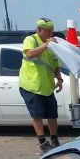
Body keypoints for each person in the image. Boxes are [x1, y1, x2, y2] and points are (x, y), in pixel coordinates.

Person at [19, 18, 63, 151]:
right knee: (37, 115)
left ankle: (54, 139)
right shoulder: (31, 39)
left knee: (52, 114)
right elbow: (30, 53)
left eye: (52, 31)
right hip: (31, 85)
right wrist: (46, 45)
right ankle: (43, 142)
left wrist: (60, 79)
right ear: (39, 30)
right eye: (47, 31)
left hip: (47, 86)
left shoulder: (51, 44)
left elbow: (55, 65)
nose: (50, 33)